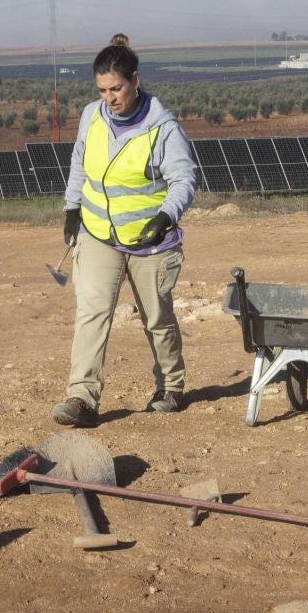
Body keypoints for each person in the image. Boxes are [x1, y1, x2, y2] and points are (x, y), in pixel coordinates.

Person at [52, 34, 199, 428]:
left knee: (156, 317)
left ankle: (170, 385)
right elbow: (79, 162)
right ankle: (81, 397)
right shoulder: (91, 115)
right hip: (98, 234)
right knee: (93, 313)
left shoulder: (162, 128)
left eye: (116, 88)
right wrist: (71, 208)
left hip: (150, 242)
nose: (110, 98)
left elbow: (184, 180)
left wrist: (165, 217)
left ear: (135, 80)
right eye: (102, 90)